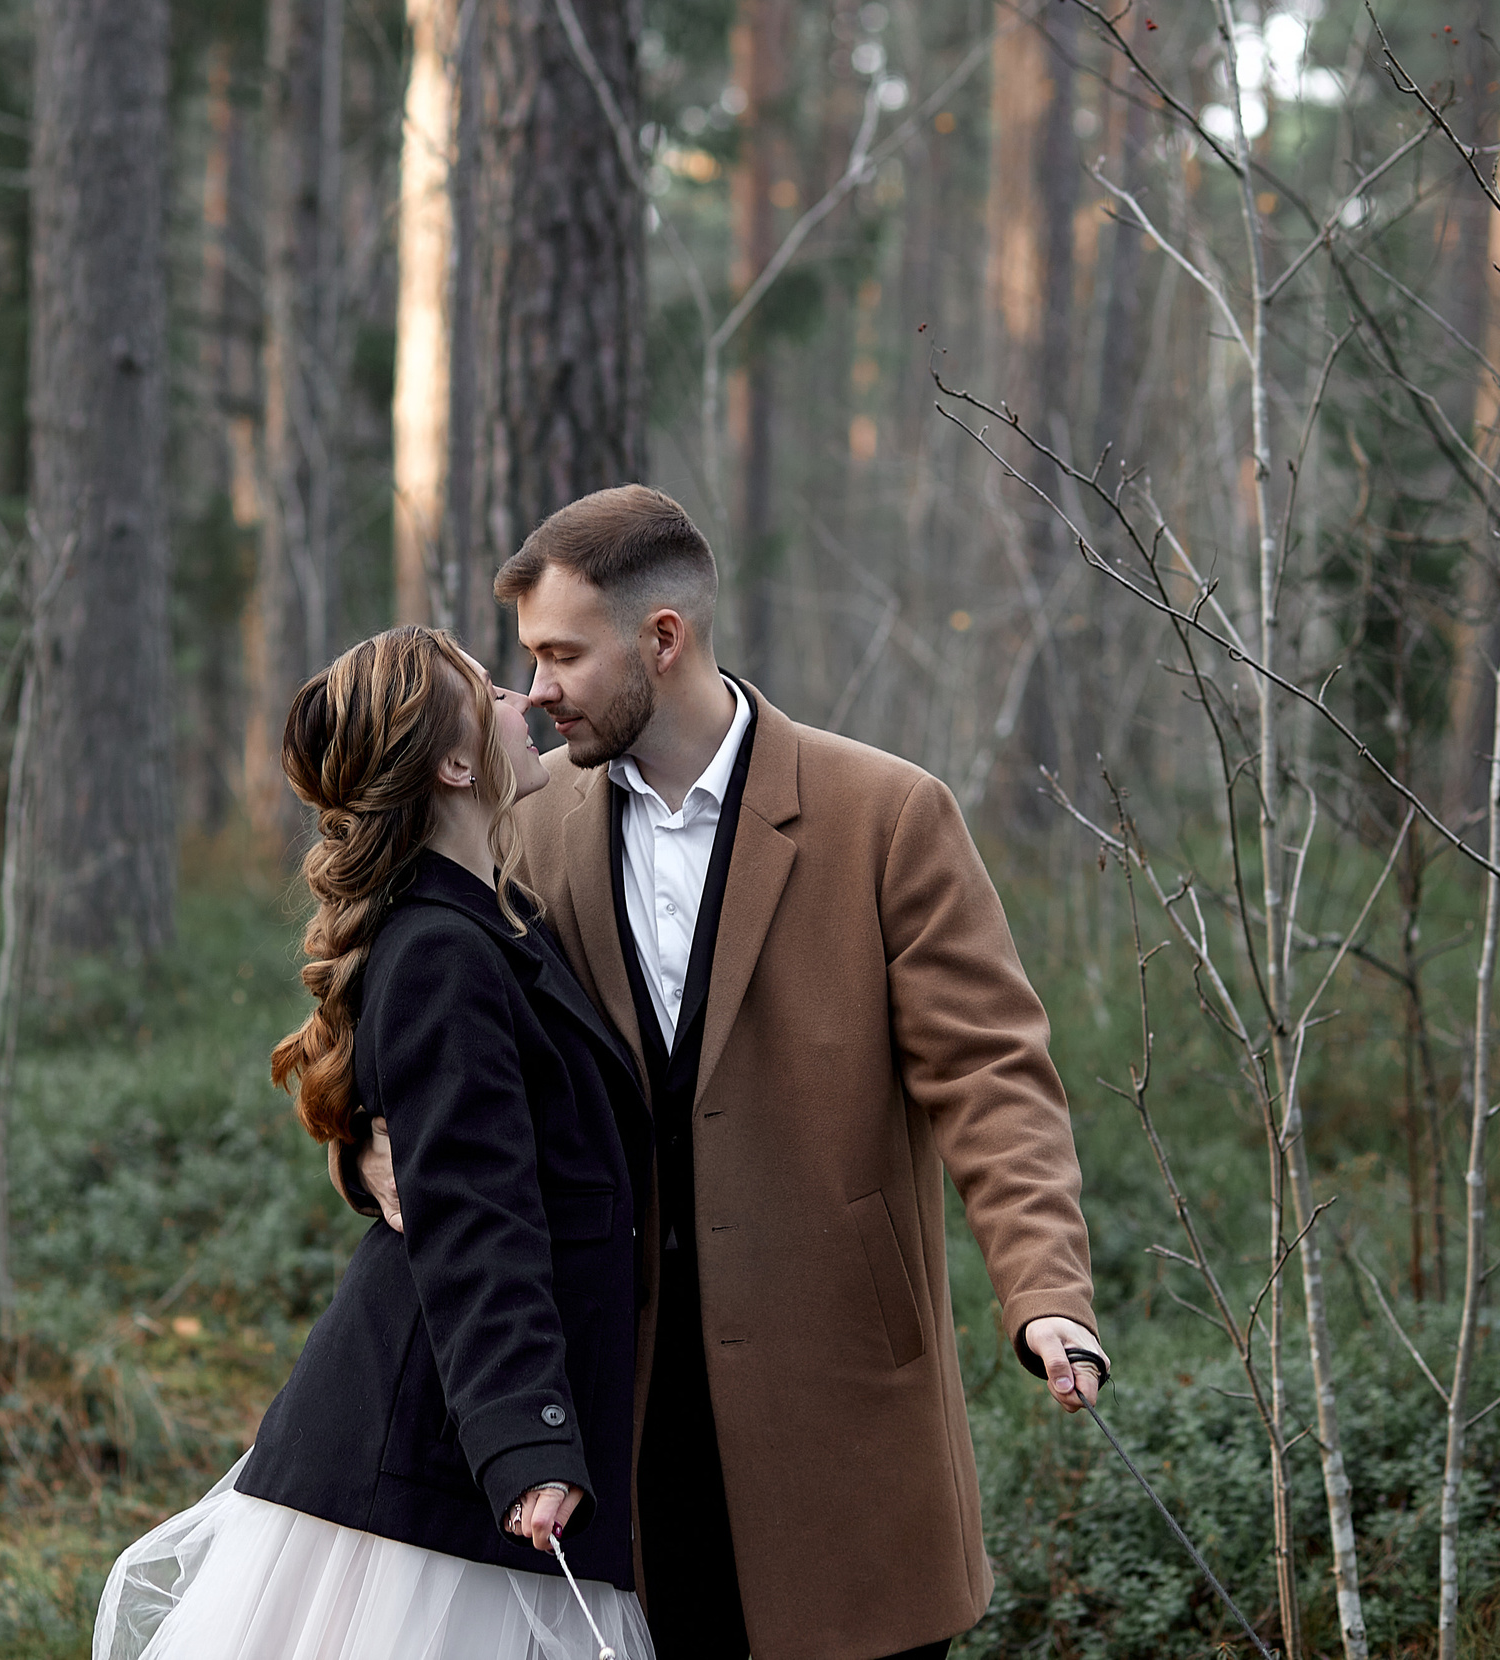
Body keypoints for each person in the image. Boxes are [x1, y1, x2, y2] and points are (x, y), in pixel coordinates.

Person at [347, 486, 1107, 1660]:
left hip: (841, 1408)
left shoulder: (885, 815)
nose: (536, 689)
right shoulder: (528, 823)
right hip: (623, 1413)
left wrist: (1047, 1293)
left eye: (560, 654)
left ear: (664, 639)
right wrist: (360, 1140)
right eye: (528, 661)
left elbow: (993, 1075)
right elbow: (432, 1035)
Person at [95, 624, 656, 1660]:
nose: (522, 701)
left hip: (460, 1436)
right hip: (440, 1464)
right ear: (452, 763)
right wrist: (525, 1441)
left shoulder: (490, 919)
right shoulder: (443, 949)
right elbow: (475, 1218)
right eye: (489, 692)